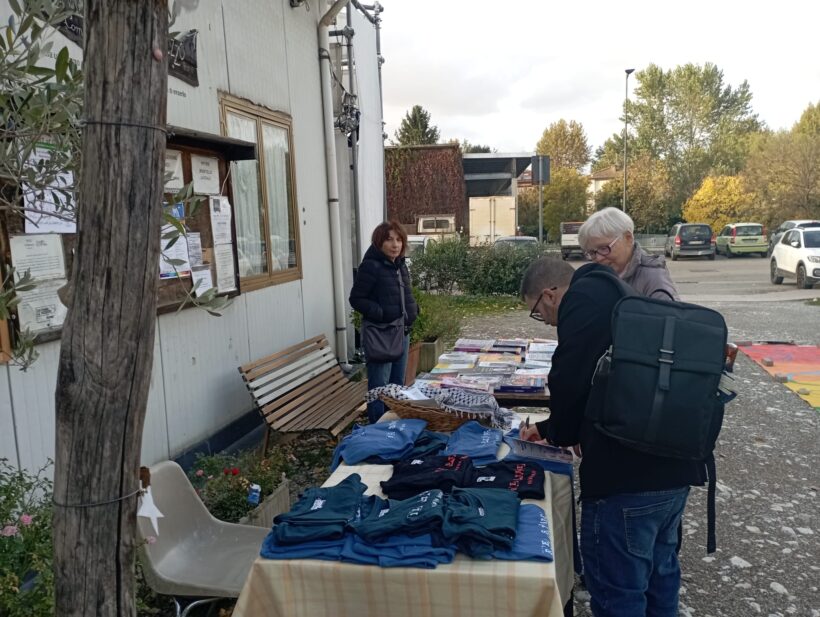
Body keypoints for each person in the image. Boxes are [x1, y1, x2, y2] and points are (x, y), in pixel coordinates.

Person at [519, 257, 705, 617]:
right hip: (674, 467)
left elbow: (569, 380)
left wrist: (561, 431)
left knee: (619, 593)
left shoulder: (581, 303)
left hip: (625, 480)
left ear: (550, 294)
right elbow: (601, 381)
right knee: (660, 579)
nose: (546, 320)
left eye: (538, 312)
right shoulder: (614, 291)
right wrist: (550, 428)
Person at [349, 221, 419, 424]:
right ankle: (377, 428)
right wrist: (382, 313)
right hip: (381, 334)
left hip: (402, 332)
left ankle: (393, 426)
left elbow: (404, 294)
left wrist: (413, 310)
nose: (395, 244)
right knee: (379, 387)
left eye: (398, 240)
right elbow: (356, 299)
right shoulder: (371, 266)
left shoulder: (400, 265)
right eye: (389, 240)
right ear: (379, 242)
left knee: (397, 385)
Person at [578, 207, 679, 300]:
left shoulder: (653, 278)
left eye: (604, 248)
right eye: (592, 252)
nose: (598, 258)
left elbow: (670, 313)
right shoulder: (593, 276)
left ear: (628, 238)